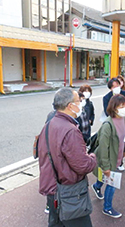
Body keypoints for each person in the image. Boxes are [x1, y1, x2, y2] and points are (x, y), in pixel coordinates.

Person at [38, 88, 97, 227]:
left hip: (52, 188)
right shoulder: (70, 130)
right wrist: (93, 157)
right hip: (68, 192)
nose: (81, 103)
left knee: (56, 223)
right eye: (79, 101)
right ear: (70, 105)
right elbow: (83, 165)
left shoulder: (48, 125)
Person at [91, 94, 125, 219]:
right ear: (114, 108)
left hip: (117, 156)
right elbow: (103, 148)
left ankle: (96, 186)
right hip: (109, 159)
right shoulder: (108, 125)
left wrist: (124, 151)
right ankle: (107, 208)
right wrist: (106, 167)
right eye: (121, 106)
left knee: (105, 178)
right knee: (112, 184)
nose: (124, 108)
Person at [103, 78, 125, 171]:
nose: (116, 88)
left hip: (122, 121)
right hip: (109, 161)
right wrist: (105, 165)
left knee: (121, 142)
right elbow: (103, 147)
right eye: (113, 86)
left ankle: (120, 162)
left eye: (117, 85)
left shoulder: (124, 94)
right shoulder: (108, 124)